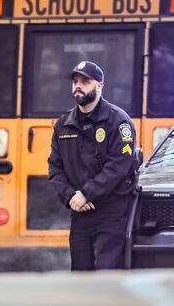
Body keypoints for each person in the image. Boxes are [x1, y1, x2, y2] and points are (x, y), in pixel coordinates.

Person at [48, 60, 139, 270]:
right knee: (81, 280)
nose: (78, 85)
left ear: (99, 86)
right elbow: (55, 168)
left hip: (110, 213)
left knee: (107, 277)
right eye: (75, 81)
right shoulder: (63, 125)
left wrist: (86, 193)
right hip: (79, 213)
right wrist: (71, 196)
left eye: (85, 81)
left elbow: (119, 166)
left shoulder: (118, 121)